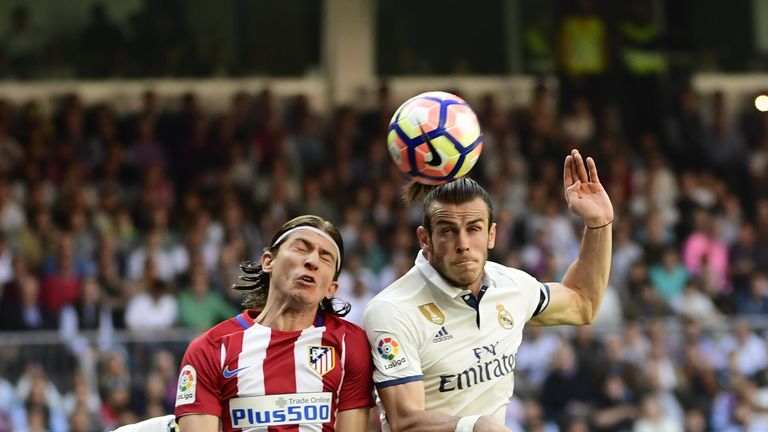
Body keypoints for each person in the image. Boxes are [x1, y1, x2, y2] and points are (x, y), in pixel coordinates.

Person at [364, 149, 613, 431]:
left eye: (474, 228)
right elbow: (404, 420)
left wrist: (598, 224)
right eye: (447, 231)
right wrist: (474, 427)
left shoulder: (512, 286)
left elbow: (582, 302)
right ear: (425, 239)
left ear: (491, 235)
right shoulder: (394, 310)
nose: (463, 243)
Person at [174, 215, 374, 431]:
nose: (312, 261)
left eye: (325, 258)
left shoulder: (349, 345)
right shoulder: (211, 348)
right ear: (268, 262)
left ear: (331, 289)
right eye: (301, 248)